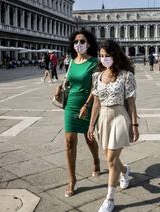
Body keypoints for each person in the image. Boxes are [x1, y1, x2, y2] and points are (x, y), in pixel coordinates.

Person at [87, 40, 139, 212]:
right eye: (101, 56)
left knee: (109, 160)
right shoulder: (97, 76)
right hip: (103, 119)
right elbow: (96, 103)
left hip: (119, 117)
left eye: (107, 56)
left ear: (115, 55)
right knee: (112, 158)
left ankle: (109, 198)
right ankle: (125, 171)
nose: (103, 59)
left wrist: (135, 124)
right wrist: (91, 124)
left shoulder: (126, 75)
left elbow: (131, 102)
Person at [63, 30, 101, 197]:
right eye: (76, 41)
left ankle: (96, 160)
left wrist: (86, 104)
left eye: (82, 41)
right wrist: (61, 87)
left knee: (89, 138)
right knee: (69, 141)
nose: (78, 44)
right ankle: (72, 179)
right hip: (71, 104)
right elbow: (68, 81)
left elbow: (96, 87)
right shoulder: (71, 61)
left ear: (89, 44)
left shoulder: (94, 62)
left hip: (88, 104)